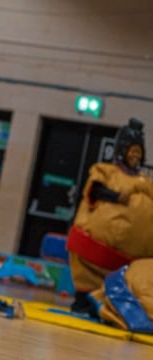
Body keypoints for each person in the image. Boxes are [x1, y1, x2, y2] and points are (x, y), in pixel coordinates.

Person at [67, 118, 153, 314]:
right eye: (132, 151)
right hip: (95, 249)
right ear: (122, 150)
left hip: (131, 259)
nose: (135, 156)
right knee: (88, 281)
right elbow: (94, 190)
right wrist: (115, 196)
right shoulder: (106, 171)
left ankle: (111, 304)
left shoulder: (145, 181)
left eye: (138, 153)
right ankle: (84, 301)